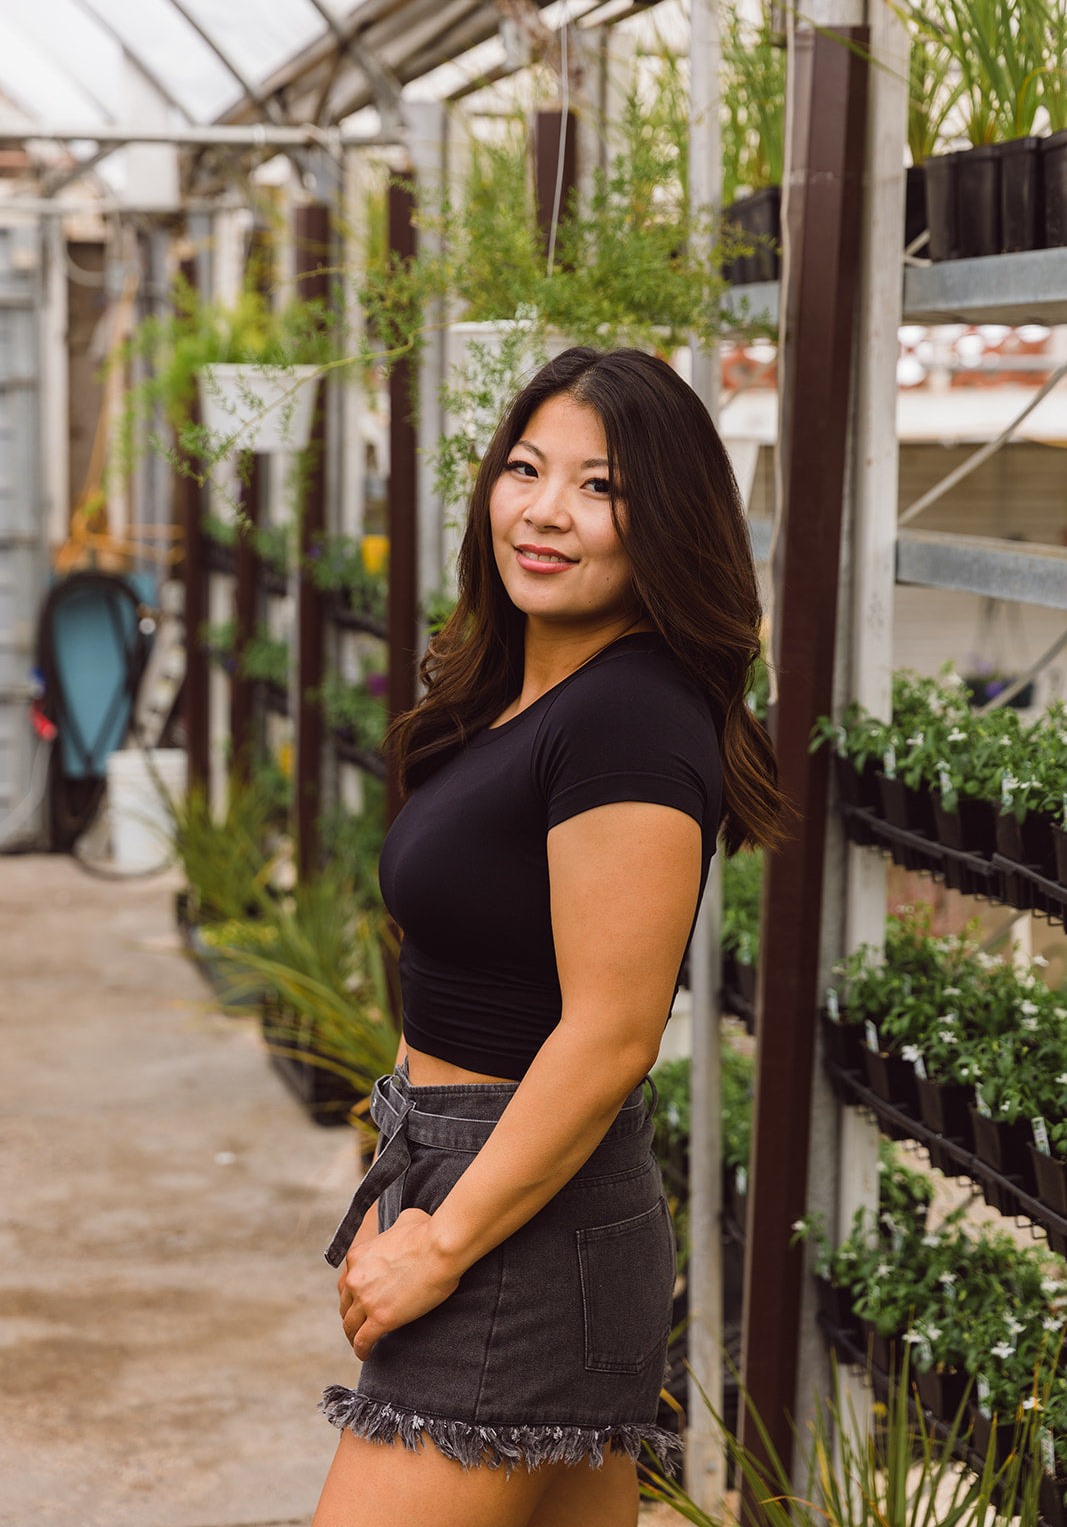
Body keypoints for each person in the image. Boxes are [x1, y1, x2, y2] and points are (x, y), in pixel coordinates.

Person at [312, 346, 785, 1527]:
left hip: (518, 1220)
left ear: (662, 520)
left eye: (599, 486)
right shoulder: (517, 695)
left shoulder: (628, 716)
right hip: (506, 1193)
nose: (544, 511)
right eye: (525, 469)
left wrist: (440, 1238)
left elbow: (614, 1032)